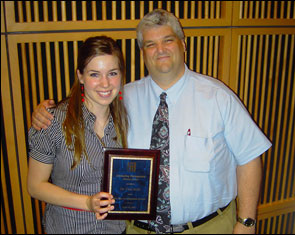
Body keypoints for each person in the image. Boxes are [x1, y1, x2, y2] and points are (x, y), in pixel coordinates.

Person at [31, 9, 271, 234]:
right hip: (137, 230)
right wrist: (47, 111)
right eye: (150, 44)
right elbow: (91, 97)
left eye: (168, 40)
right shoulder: (125, 98)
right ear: (142, 52)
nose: (160, 49)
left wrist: (246, 222)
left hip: (206, 228)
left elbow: (249, 157)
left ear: (183, 45)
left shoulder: (218, 97)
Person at [27, 36, 128, 234]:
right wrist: (88, 203)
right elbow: (35, 186)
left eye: (112, 73)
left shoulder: (126, 119)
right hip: (69, 228)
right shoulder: (53, 122)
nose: (105, 83)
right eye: (94, 74)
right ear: (80, 76)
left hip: (116, 229)